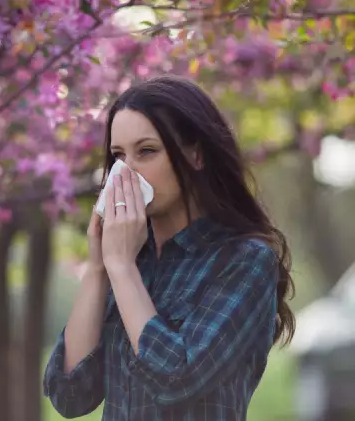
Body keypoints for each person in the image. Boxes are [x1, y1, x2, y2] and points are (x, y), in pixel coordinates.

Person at [43, 75, 295, 420]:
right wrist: (100, 268)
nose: (125, 174)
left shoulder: (244, 261)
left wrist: (122, 269)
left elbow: (178, 380)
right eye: (118, 156)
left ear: (196, 155)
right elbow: (69, 395)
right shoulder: (130, 260)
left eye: (146, 151)